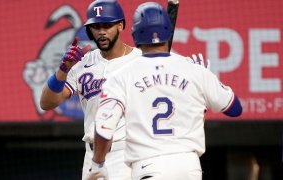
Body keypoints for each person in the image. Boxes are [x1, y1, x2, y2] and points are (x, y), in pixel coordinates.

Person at [87, 2, 242, 180]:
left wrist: (97, 164)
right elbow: (235, 108)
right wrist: (201, 92)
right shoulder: (194, 70)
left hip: (149, 166)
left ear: (135, 34)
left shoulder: (121, 76)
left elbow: (104, 128)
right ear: (168, 31)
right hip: (189, 167)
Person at [40, 0, 180, 179]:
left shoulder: (142, 60)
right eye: (96, 27)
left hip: (127, 153)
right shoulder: (82, 63)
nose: (101, 32)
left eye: (107, 25)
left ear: (121, 25)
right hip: (92, 156)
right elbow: (46, 103)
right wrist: (63, 70)